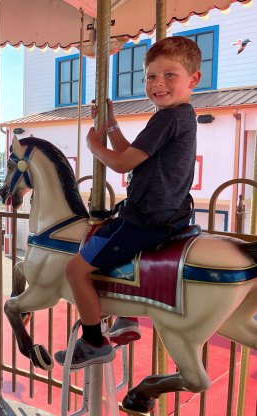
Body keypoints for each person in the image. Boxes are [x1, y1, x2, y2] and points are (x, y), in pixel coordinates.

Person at [55, 36, 202, 370]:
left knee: (75, 269)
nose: (158, 83)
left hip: (147, 218)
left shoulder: (168, 118)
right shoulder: (181, 116)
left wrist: (93, 146)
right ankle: (125, 317)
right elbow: (132, 152)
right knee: (102, 239)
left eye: (169, 75)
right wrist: (111, 125)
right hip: (170, 215)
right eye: (151, 76)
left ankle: (93, 342)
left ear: (193, 79)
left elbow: (122, 164)